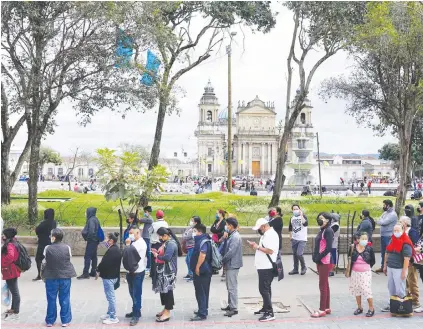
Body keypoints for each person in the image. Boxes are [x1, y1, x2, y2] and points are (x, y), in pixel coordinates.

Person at [42, 228, 77, 327]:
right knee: (65, 298)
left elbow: (45, 261)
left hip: (51, 276)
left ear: (53, 237)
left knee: (51, 299)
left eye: (51, 236)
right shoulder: (67, 247)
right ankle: (65, 320)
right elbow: (68, 259)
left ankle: (50, 321)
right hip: (65, 276)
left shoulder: (47, 248)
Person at [248, 218, 279, 322]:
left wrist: (257, 247)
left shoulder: (270, 235)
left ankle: (269, 312)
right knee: (266, 288)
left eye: (259, 228)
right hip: (263, 266)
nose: (259, 230)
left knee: (263, 289)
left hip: (266, 266)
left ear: (264, 226)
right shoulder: (267, 234)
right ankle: (266, 307)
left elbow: (270, 251)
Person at [381, 223, 414, 312]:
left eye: (398, 230)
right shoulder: (392, 239)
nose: (396, 232)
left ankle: (402, 306)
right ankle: (392, 304)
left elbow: (407, 258)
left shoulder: (406, 242)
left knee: (400, 289)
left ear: (403, 231)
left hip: (399, 268)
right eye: (394, 230)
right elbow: (387, 252)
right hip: (390, 267)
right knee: (391, 287)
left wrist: (404, 271)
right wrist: (385, 265)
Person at [152, 227, 178, 323]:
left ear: (165, 236)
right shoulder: (166, 243)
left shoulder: (171, 244)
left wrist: (156, 256)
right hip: (163, 271)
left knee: (167, 291)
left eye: (160, 236)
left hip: (169, 272)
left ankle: (168, 311)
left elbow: (167, 258)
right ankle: (165, 308)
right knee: (163, 290)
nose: (159, 238)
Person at [346, 232, 375, 317]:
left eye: (366, 239)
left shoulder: (369, 249)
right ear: (358, 239)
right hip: (355, 272)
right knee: (356, 289)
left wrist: (365, 267)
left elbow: (373, 261)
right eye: (363, 239)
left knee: (366, 289)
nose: (365, 240)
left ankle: (371, 308)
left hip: (365, 273)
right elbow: (350, 258)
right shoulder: (353, 248)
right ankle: (359, 307)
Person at [311, 212, 334, 318]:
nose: (319, 220)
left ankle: (321, 309)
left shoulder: (328, 231)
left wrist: (318, 257)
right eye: (318, 218)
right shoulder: (323, 230)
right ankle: (327, 307)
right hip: (321, 260)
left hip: (325, 261)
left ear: (327, 220)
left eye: (322, 218)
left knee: (322, 285)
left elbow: (328, 248)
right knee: (325, 284)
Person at [123, 226, 147, 326]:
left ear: (138, 233)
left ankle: (136, 315)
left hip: (137, 272)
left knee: (136, 294)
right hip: (132, 271)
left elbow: (129, 254)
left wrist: (128, 245)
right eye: (130, 233)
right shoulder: (135, 242)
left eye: (132, 233)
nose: (130, 235)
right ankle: (135, 310)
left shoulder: (139, 243)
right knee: (132, 292)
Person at [96, 232, 122, 325]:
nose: (105, 241)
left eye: (107, 239)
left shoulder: (112, 251)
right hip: (111, 276)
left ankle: (113, 317)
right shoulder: (114, 249)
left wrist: (98, 269)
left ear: (111, 241)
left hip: (109, 277)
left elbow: (105, 263)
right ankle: (109, 313)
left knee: (111, 297)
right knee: (109, 296)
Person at [190, 224, 213, 322]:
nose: (193, 233)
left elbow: (202, 255)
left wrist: (197, 267)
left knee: (201, 292)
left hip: (202, 270)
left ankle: (202, 313)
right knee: (203, 291)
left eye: (194, 231)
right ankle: (203, 309)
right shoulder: (204, 239)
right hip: (205, 270)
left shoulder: (203, 241)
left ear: (199, 232)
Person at [221, 217, 243, 317]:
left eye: (227, 224)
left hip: (233, 264)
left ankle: (234, 308)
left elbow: (231, 252)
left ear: (231, 225)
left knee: (232, 287)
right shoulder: (231, 235)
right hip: (230, 264)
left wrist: (222, 260)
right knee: (229, 286)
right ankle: (230, 305)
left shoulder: (235, 237)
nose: (226, 226)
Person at [400, 216, 423, 313]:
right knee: (407, 280)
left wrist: (414, 250)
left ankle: (415, 300)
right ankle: (409, 298)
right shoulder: (402, 232)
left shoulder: (412, 232)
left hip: (412, 260)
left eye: (400, 221)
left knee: (412, 279)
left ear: (405, 223)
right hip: (406, 259)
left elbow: (416, 245)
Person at [1, 228, 21, 321]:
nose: (2, 236)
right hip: (11, 270)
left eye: (4, 235)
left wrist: (2, 262)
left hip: (10, 270)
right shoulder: (13, 242)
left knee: (14, 291)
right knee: (13, 290)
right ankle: (13, 308)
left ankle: (16, 309)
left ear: (7, 235)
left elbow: (10, 256)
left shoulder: (9, 245)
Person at [33, 208, 57, 281]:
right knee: (49, 259)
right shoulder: (54, 222)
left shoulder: (44, 223)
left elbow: (37, 230)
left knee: (38, 259)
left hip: (43, 243)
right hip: (51, 243)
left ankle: (40, 275)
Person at [375, 200, 398, 273]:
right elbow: (380, 220)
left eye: (384, 205)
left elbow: (383, 222)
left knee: (388, 252)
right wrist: (380, 221)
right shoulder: (385, 213)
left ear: (388, 205)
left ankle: (388, 267)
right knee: (383, 252)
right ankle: (382, 266)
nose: (383, 206)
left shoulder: (393, 214)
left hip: (389, 236)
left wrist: (379, 221)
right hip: (383, 235)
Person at [78, 207, 100, 279]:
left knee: (87, 256)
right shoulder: (95, 219)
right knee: (94, 256)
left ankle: (85, 273)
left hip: (92, 241)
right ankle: (93, 271)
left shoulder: (91, 220)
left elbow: (91, 231)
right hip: (95, 240)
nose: (86, 213)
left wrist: (88, 238)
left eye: (86, 211)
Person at [288, 204, 308, 275]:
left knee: (299, 254)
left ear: (299, 209)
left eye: (297, 209)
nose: (295, 210)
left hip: (302, 239)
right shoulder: (292, 218)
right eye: (294, 209)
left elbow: (305, 224)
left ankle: (303, 267)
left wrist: (301, 215)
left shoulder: (303, 216)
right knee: (295, 255)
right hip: (294, 238)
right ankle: (295, 269)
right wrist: (290, 236)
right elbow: (290, 228)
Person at [150, 210, 169, 281]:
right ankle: (161, 271)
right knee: (161, 258)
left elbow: (150, 232)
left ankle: (153, 273)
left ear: (156, 216)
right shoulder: (166, 224)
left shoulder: (154, 224)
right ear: (163, 216)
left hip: (155, 244)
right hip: (163, 243)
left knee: (154, 259)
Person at [182, 216, 201, 281]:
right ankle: (190, 273)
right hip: (189, 246)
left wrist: (185, 235)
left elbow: (187, 236)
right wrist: (185, 235)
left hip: (192, 246)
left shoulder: (195, 229)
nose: (191, 221)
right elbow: (185, 234)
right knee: (187, 260)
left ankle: (192, 275)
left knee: (191, 261)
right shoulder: (190, 228)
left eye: (192, 220)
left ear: (195, 222)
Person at [210, 209, 226, 275]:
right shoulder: (216, 221)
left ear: (221, 214)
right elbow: (212, 229)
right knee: (214, 254)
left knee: (219, 254)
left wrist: (215, 230)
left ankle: (221, 269)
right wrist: (215, 230)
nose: (216, 214)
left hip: (220, 240)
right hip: (215, 239)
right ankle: (215, 268)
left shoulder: (224, 222)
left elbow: (220, 230)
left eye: (217, 213)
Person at [139, 206, 154, 274]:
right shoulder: (148, 218)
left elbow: (140, 220)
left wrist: (138, 213)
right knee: (146, 251)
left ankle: (149, 266)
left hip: (147, 237)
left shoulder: (150, 219)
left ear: (148, 212)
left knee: (148, 252)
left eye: (145, 212)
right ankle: (148, 266)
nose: (144, 213)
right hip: (145, 236)